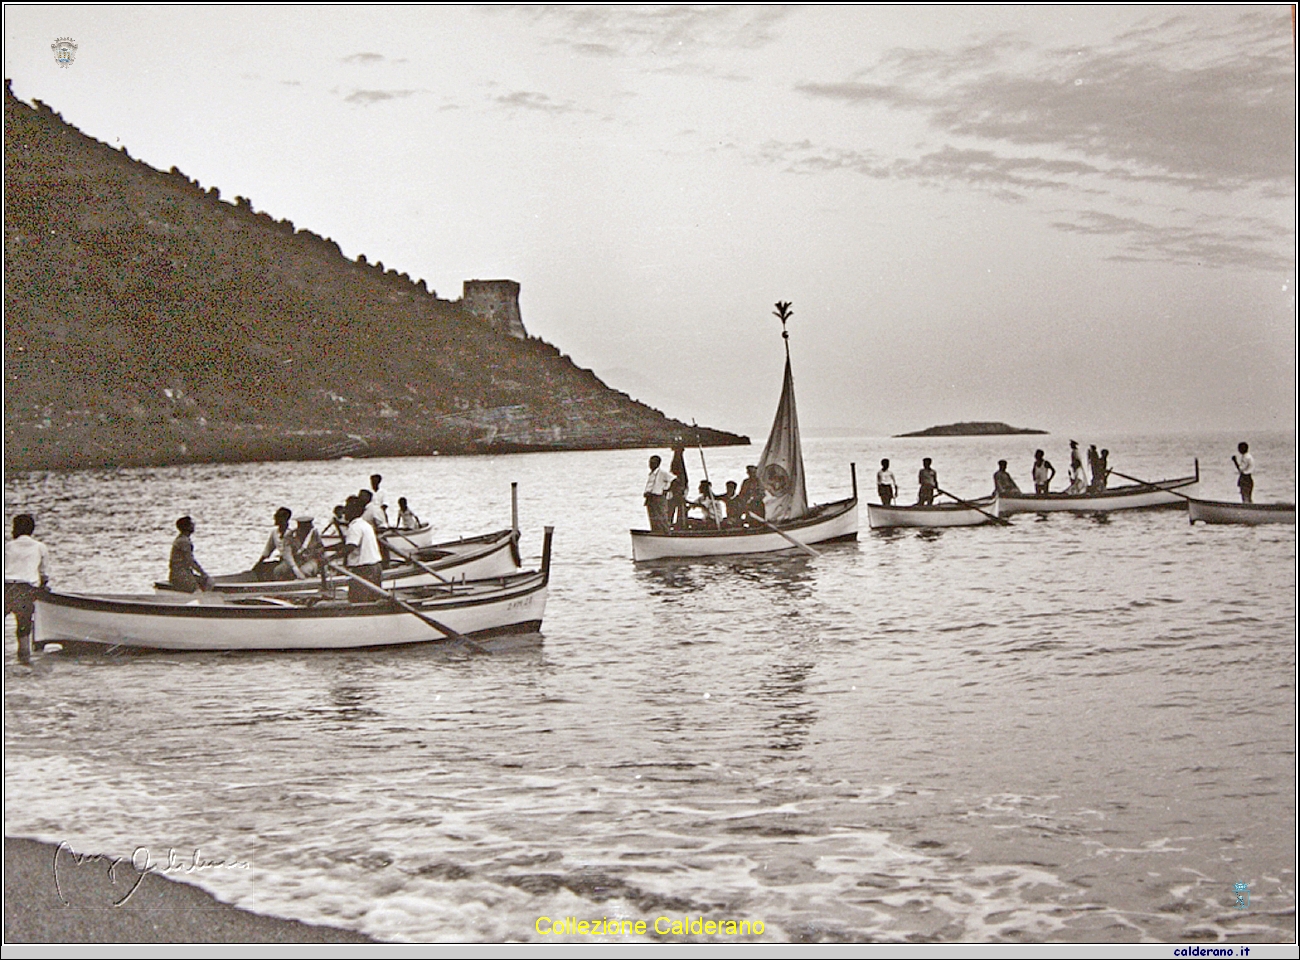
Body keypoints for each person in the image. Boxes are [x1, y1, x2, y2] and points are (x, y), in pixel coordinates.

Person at [5, 514, 50, 663]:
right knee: (23, 630)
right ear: (32, 530)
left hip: (6, 588)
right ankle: (24, 662)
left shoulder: (7, 546)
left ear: (15, 529)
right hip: (25, 590)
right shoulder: (40, 547)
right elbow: (44, 574)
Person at [344, 497, 383, 602]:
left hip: (364, 570)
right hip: (375, 567)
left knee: (358, 602)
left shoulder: (355, 527)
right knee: (373, 601)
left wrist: (331, 558)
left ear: (353, 510)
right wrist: (328, 548)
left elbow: (350, 546)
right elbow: (347, 543)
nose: (344, 511)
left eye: (347, 508)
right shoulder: (365, 525)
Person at [258, 507, 306, 581]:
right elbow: (267, 551)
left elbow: (297, 552)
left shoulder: (292, 533)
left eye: (278, 517)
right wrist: (258, 564)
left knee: (278, 570)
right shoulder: (274, 533)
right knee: (264, 568)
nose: (275, 518)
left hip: (295, 561)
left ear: (285, 519)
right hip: (283, 560)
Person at [169, 516, 213, 593]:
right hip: (180, 575)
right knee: (200, 588)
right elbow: (190, 561)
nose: (194, 525)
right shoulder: (184, 541)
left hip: (182, 573)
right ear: (187, 527)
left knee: (208, 582)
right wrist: (203, 573)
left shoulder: (182, 539)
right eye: (191, 524)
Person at [643, 455, 675, 531]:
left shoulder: (662, 473)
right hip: (650, 498)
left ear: (658, 463)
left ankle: (665, 533)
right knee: (653, 518)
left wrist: (666, 489)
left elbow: (674, 480)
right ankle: (655, 532)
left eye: (653, 463)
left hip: (658, 497)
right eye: (650, 462)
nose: (650, 464)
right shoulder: (651, 474)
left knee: (661, 517)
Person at [668, 443, 690, 529]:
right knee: (673, 508)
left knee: (680, 509)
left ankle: (680, 525)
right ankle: (673, 524)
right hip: (677, 490)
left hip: (679, 489)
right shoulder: (677, 462)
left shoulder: (678, 462)